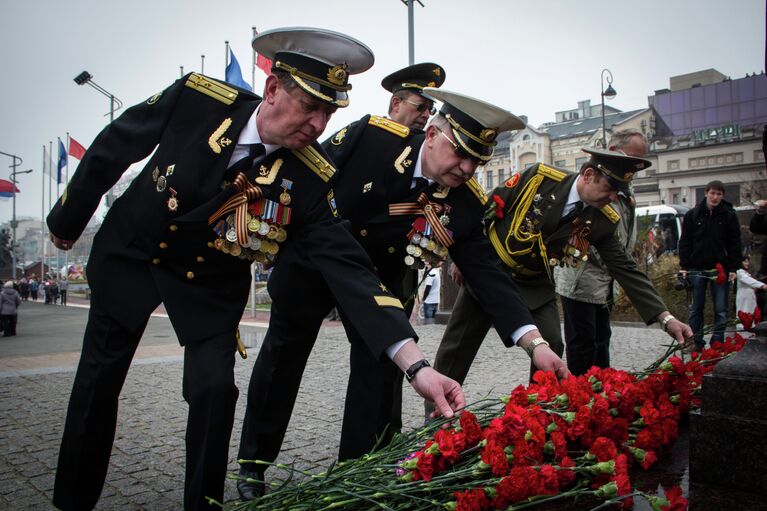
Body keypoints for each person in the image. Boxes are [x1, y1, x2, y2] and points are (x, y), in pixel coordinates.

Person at [47, 27, 463, 511]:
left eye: (328, 111)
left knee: (215, 392)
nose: (318, 123)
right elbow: (117, 143)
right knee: (99, 378)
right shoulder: (199, 101)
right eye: (310, 106)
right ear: (272, 91)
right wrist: (68, 218)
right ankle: (72, 500)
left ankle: (203, 505)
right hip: (135, 252)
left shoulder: (308, 177)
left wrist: (416, 366)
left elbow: (351, 270)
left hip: (208, 281)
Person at [237, 88, 568, 498]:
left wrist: (533, 342)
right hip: (314, 265)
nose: (466, 169)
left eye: (477, 161)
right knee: (283, 358)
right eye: (459, 153)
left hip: (381, 287)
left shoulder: (465, 202)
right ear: (431, 134)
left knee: (378, 373)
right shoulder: (372, 139)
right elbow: (308, 180)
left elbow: (487, 273)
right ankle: (253, 465)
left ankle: (355, 475)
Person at [431, 147, 694, 408]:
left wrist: (665, 317)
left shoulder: (602, 219)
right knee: (456, 349)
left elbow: (625, 267)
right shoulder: (539, 178)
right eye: (610, 187)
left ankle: (533, 415)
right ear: (588, 174)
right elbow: (484, 210)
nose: (613, 197)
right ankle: (435, 417)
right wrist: (462, 260)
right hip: (491, 273)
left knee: (552, 342)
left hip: (534, 283)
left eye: (619, 192)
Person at [554, 130, 646, 376]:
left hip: (606, 280)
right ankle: (581, 397)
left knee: (601, 341)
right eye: (633, 157)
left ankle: (600, 394)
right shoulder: (598, 182)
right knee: (582, 346)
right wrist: (611, 260)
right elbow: (582, 235)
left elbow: (625, 229)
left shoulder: (624, 186)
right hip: (581, 277)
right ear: (615, 151)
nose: (635, 167)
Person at [679, 180, 742, 351]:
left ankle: (717, 342)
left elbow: (735, 243)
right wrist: (684, 266)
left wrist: (734, 268)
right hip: (697, 267)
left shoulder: (729, 215)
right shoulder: (693, 214)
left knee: (721, 309)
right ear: (706, 193)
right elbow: (685, 241)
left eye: (719, 194)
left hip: (720, 268)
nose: (715, 197)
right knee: (696, 308)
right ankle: (695, 341)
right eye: (712, 193)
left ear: (722, 196)